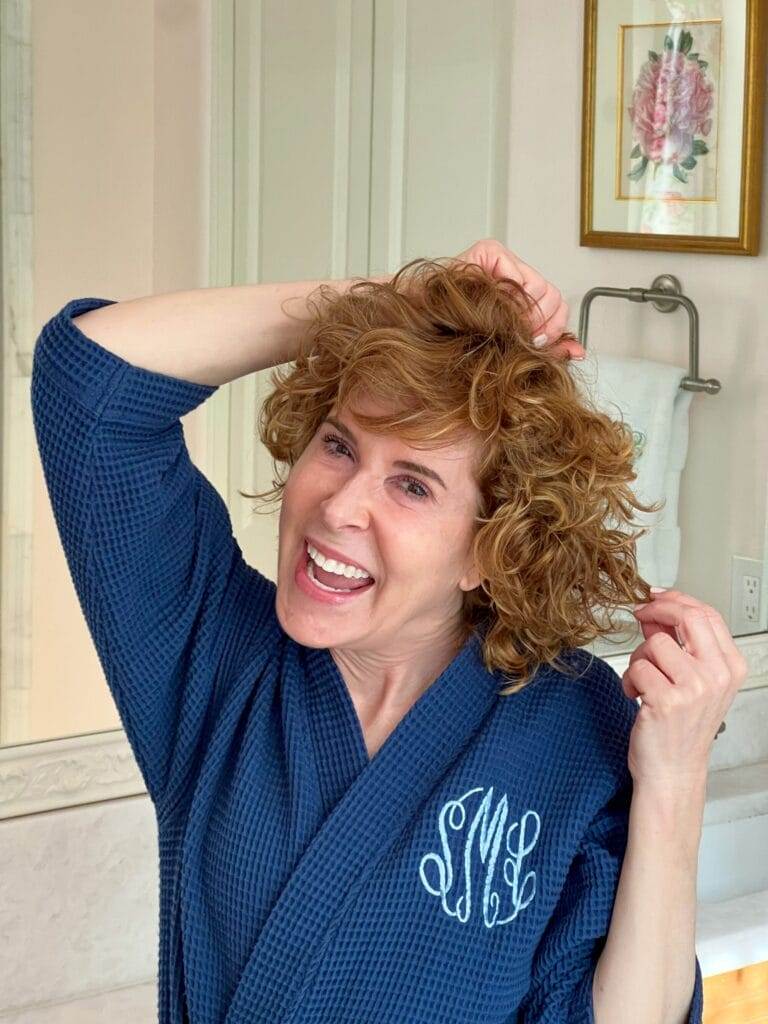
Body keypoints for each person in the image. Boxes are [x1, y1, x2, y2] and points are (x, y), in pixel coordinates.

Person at [31, 240, 709, 1022]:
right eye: (339, 444)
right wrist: (388, 302)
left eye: (413, 485)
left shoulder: (570, 728)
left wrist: (677, 784)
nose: (340, 506)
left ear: (492, 548)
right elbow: (90, 381)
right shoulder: (217, 659)